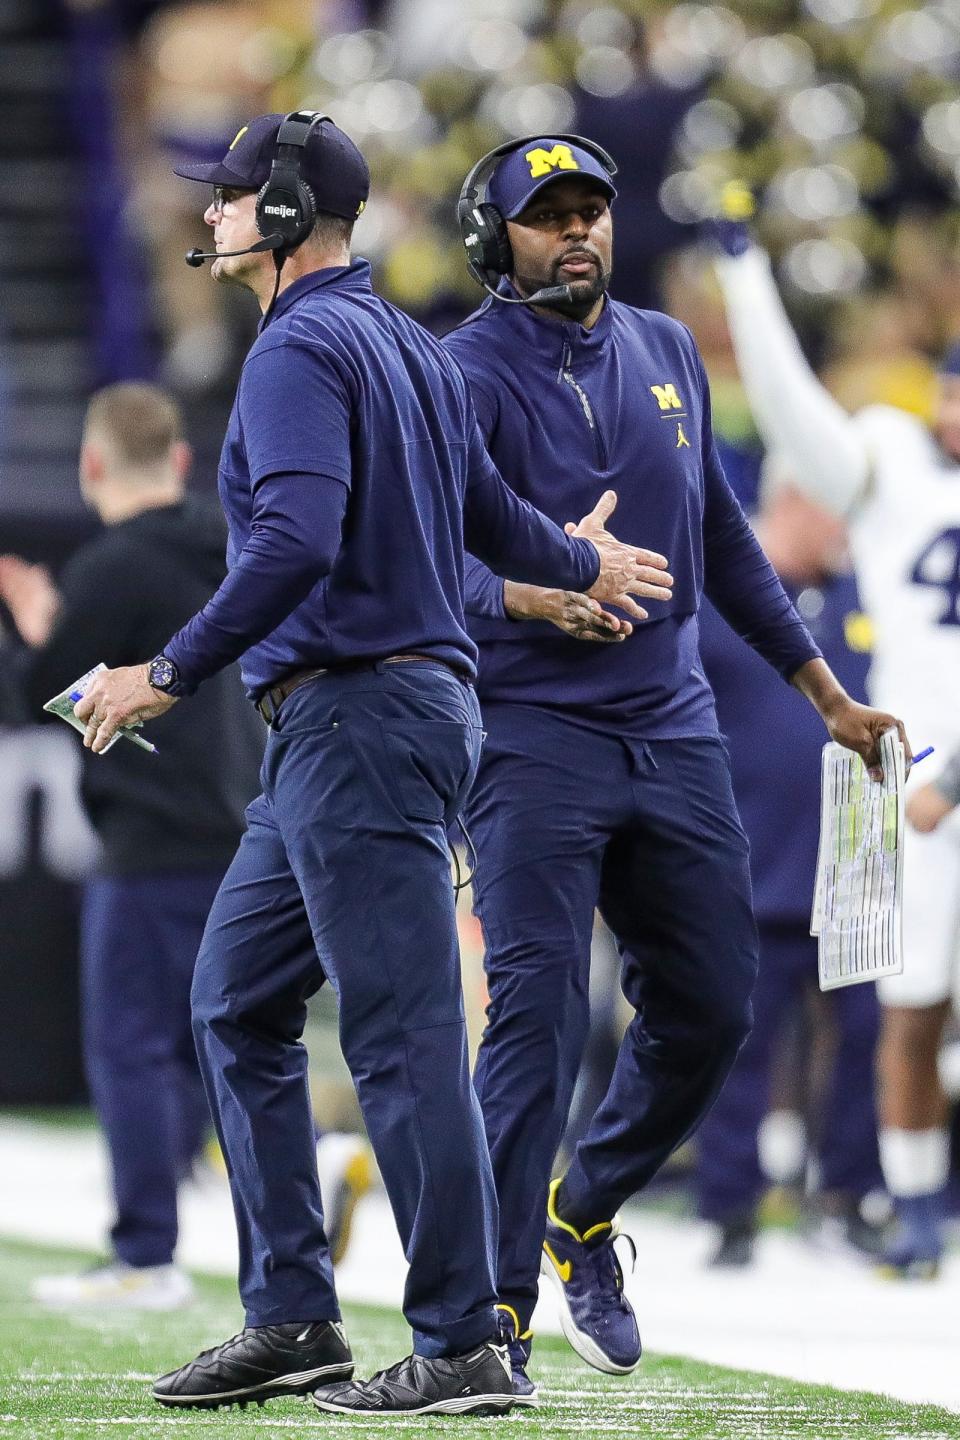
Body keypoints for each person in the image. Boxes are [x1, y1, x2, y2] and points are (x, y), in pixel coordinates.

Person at [74, 111, 668, 1418]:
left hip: (359, 719)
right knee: (235, 1001)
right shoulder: (404, 337)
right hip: (356, 728)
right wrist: (581, 560)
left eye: (229, 196)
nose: (213, 215)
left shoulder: (297, 347)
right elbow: (491, 512)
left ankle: (463, 1336)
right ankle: (294, 1315)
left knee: (400, 1041)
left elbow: (292, 539)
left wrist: (160, 672)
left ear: (281, 211)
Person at [441, 133, 910, 1392]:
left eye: (590, 209)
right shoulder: (455, 375)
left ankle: (582, 1212)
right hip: (534, 732)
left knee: (712, 1006)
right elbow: (419, 565)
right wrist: (534, 597)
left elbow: (724, 538)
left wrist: (823, 691)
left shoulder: (660, 350)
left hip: (674, 723)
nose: (577, 231)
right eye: (547, 216)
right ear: (495, 239)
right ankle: (495, 1319)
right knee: (534, 1022)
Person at [712, 214, 960, 1277]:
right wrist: (745, 278)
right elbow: (795, 413)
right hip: (903, 791)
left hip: (921, 784)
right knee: (898, 1011)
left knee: (895, 1018)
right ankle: (896, 1204)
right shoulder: (893, 470)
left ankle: (888, 1192)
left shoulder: (888, 515)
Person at [0, 383, 263, 1309]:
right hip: (242, 827)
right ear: (183, 462)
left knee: (128, 1044)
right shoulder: (239, 554)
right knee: (225, 1040)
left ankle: (145, 1252)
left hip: (149, 833)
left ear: (93, 465)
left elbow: (52, 688)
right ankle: (295, 1184)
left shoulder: (113, 568)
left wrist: (40, 631)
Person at [694, 464, 883, 1267]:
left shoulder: (858, 596)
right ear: (793, 501)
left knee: (865, 1033)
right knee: (738, 1040)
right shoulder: (722, 599)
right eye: (830, 509)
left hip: (852, 863)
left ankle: (848, 1194)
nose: (843, 528)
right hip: (747, 858)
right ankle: (731, 1208)